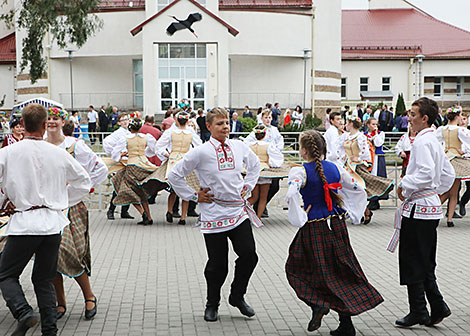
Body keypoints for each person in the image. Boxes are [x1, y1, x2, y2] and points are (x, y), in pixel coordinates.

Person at [0, 103, 90, 336]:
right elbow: (84, 181)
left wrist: (4, 203)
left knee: (6, 274)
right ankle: (49, 330)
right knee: (44, 278)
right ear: (43, 125)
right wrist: (60, 201)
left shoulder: (8, 153)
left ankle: (23, 311)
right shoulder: (58, 153)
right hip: (52, 224)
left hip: (25, 223)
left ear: (22, 125)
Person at [285, 130, 383, 335]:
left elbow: (291, 193)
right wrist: (353, 211)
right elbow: (357, 187)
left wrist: (300, 216)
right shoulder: (336, 169)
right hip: (336, 224)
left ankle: (317, 304)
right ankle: (345, 323)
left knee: (297, 266)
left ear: (304, 151)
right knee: (340, 270)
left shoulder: (300, 172)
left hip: (314, 226)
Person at [168, 107, 261, 322]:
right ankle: (212, 304)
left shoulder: (239, 146)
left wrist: (247, 185)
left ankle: (237, 296)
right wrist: (193, 195)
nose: (225, 127)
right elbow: (174, 174)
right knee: (218, 264)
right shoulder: (201, 151)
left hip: (238, 211)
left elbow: (255, 166)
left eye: (227, 122)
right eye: (219, 123)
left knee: (249, 255)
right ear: (208, 127)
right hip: (213, 214)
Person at [390, 97, 454, 328]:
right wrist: (437, 194)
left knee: (412, 259)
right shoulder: (434, 140)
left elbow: (426, 174)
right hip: (429, 206)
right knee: (425, 260)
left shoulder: (421, 142)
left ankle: (419, 309)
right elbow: (447, 173)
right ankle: (436, 305)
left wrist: (405, 184)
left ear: (425, 118)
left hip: (419, 208)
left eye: (413, 115)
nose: (409, 118)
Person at [45, 110, 107, 321]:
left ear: (63, 121)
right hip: (48, 208)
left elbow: (100, 169)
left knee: (71, 253)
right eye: (49, 119)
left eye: (55, 118)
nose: (52, 122)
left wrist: (84, 187)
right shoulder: (40, 145)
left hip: (72, 208)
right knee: (52, 255)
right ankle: (60, 302)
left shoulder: (74, 145)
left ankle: (89, 296)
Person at [143, 112, 202, 225]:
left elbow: (159, 147)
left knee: (174, 189)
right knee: (186, 188)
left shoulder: (171, 132)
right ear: (187, 121)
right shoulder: (191, 132)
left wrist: (166, 155)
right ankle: (183, 218)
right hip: (186, 161)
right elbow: (199, 147)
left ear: (177, 121)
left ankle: (170, 211)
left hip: (173, 160)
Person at [339, 116, 394, 224]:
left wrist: (357, 158)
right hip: (347, 167)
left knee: (360, 189)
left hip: (357, 167)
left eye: (347, 122)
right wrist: (343, 156)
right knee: (346, 189)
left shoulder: (360, 137)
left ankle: (364, 211)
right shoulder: (345, 136)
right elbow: (340, 149)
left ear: (351, 124)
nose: (345, 124)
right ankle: (355, 211)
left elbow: (366, 155)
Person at [111, 118, 159, 225]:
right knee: (142, 193)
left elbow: (114, 155)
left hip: (132, 166)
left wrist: (122, 155)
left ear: (130, 128)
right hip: (144, 165)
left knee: (128, 191)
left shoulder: (126, 138)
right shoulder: (146, 137)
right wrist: (143, 152)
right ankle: (149, 217)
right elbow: (154, 150)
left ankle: (143, 214)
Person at [244, 109, 284, 217]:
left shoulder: (274, 130)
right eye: (266, 117)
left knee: (257, 195)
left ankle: (246, 211)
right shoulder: (258, 132)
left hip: (260, 167)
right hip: (265, 166)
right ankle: (257, 214)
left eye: (270, 117)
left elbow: (280, 142)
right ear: (262, 119)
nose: (268, 119)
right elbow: (247, 142)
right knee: (261, 196)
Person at [435, 106, 470, 227]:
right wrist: (464, 151)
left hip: (444, 160)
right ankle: (448, 218)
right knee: (453, 192)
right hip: (455, 161)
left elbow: (435, 142)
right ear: (457, 117)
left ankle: (436, 212)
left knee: (447, 190)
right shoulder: (461, 130)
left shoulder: (442, 129)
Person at [103, 113, 134, 220]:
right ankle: (111, 210)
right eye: (123, 120)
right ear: (119, 122)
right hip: (121, 162)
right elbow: (107, 143)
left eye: (127, 119)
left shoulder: (130, 132)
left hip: (129, 161)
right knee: (118, 186)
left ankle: (124, 211)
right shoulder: (118, 133)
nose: (125, 121)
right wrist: (118, 154)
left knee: (129, 186)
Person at [364, 117, 388, 211]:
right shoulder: (365, 135)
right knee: (370, 178)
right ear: (368, 125)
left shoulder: (381, 133)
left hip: (378, 157)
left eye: (376, 124)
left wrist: (376, 133)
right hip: (369, 158)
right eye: (373, 124)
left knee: (377, 177)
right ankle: (372, 198)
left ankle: (376, 199)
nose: (375, 126)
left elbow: (378, 144)